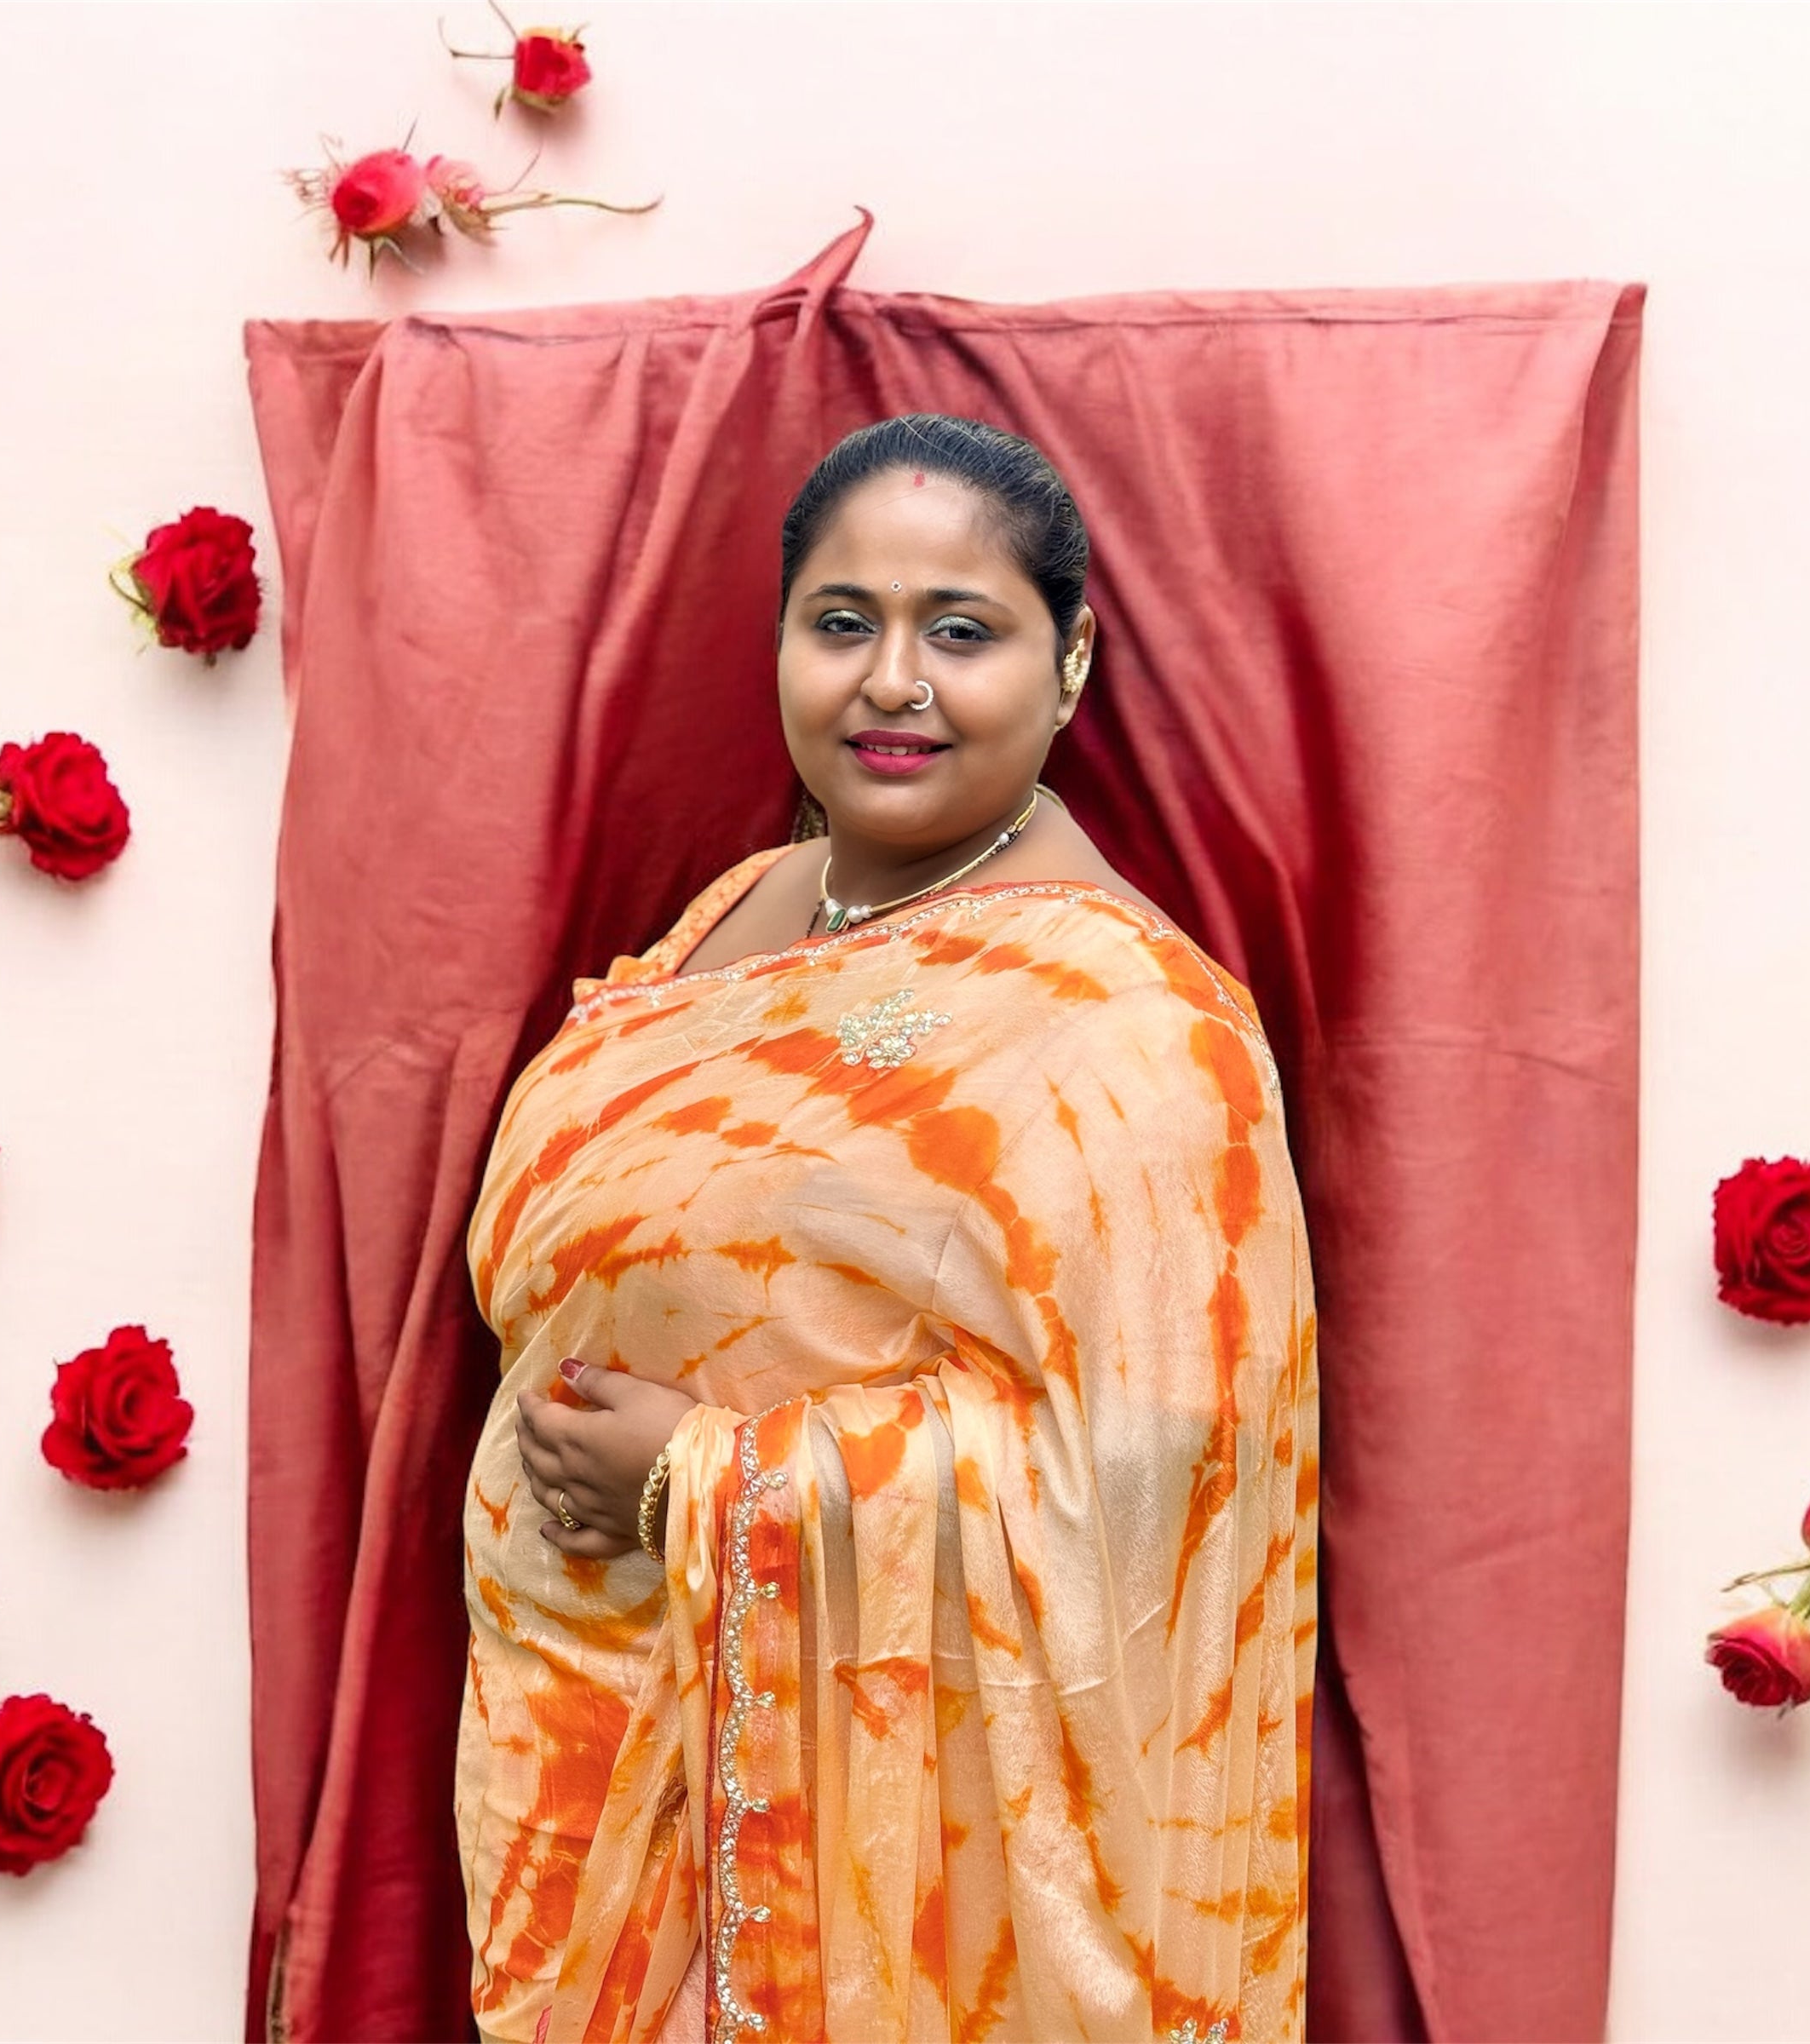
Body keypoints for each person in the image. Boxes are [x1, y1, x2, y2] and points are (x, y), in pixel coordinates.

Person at [457, 415, 1319, 2044]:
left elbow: (1145, 1477)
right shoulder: (735, 908)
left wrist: (704, 1482)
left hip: (908, 1866)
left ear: (1070, 667)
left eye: (962, 631)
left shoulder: (1131, 1021)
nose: (891, 681)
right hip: (586, 1736)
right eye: (842, 621)